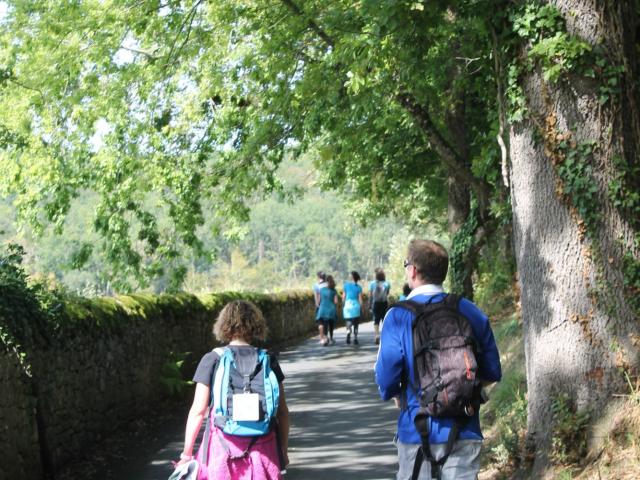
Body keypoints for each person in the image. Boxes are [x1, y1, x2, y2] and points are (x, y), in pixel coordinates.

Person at [375, 240, 501, 480]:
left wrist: (396, 395)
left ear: (412, 270)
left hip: (415, 431)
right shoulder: (469, 310)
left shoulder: (397, 316)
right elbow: (492, 371)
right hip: (464, 429)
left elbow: (386, 379)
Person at [175, 300, 290, 480]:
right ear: (256, 324)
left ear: (223, 324)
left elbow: (198, 411)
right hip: (263, 450)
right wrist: (283, 451)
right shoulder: (268, 359)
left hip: (222, 450)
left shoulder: (212, 359)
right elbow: (282, 412)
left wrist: (186, 454)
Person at [342, 270, 364, 345]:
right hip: (356, 306)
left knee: (348, 321)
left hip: (348, 305)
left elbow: (343, 297)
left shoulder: (346, 285)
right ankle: (355, 338)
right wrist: (361, 307)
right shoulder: (359, 288)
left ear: (351, 278)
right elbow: (360, 299)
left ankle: (348, 331)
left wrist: (343, 304)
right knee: (356, 323)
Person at [369, 268, 390, 344]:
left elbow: (370, 295)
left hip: (376, 303)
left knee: (376, 320)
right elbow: (387, 294)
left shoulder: (372, 284)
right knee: (384, 319)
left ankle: (377, 335)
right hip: (384, 303)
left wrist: (369, 305)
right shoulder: (387, 283)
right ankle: (385, 336)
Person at [316, 274, 338, 346]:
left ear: (326, 281)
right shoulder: (334, 291)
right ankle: (331, 338)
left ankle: (325, 338)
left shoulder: (322, 290)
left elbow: (318, 301)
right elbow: (336, 301)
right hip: (331, 309)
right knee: (331, 324)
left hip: (322, 309)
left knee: (324, 323)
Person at [312, 271, 328, 344]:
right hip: (327, 306)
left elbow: (316, 297)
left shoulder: (316, 285)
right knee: (326, 322)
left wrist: (317, 304)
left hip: (320, 306)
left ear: (318, 277)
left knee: (320, 322)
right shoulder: (328, 284)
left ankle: (322, 338)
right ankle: (326, 337)